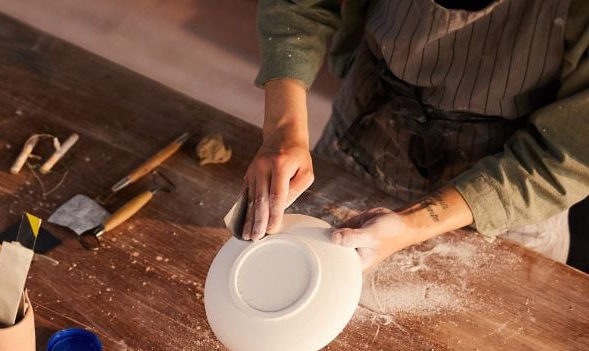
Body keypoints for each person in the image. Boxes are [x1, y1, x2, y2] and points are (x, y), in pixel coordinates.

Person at [244, 0, 587, 268]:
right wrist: (283, 130)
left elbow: (564, 157)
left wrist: (412, 224)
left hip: (510, 195)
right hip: (366, 128)